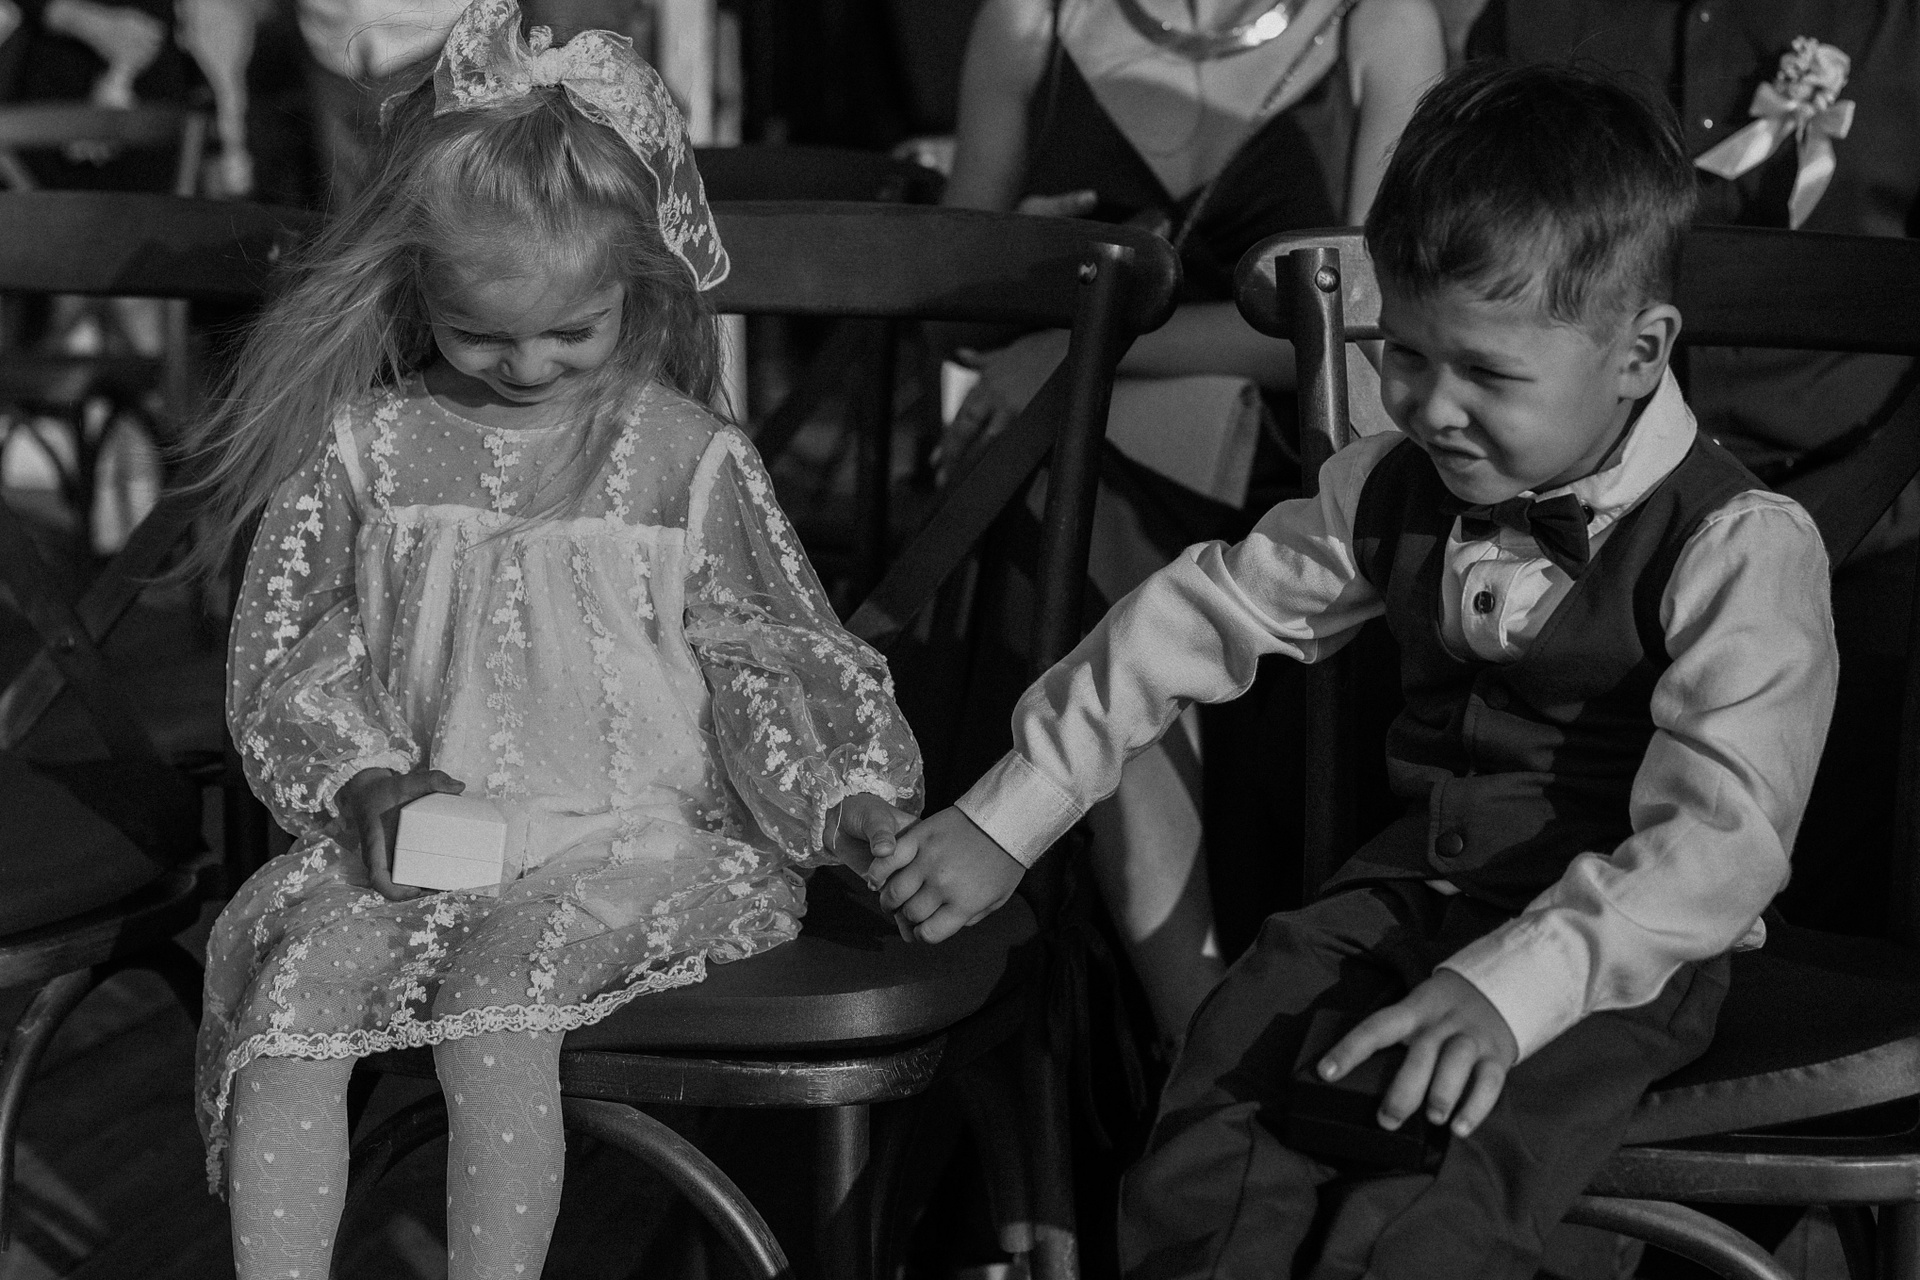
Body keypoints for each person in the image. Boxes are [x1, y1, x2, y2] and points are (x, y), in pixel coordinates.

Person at [870, 61, 1839, 1278]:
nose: (1432, 407)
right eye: (1404, 354)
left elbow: (1721, 840)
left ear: (1640, 353)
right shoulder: (1390, 484)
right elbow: (1194, 613)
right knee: (1221, 1092)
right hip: (1398, 897)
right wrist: (1008, 813)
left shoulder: (1738, 545)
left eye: (1488, 373)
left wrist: (1511, 989)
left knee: (1432, 1192)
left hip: (1615, 947)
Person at [183, 3, 921, 1276]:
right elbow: (302, 649)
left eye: (573, 331)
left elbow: (764, 645)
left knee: (493, 1016)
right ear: (417, 287)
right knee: (289, 1013)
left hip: (627, 840)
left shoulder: (681, 456)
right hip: (426, 843)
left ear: (638, 284)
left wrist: (838, 787)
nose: (527, 366)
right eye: (481, 334)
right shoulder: (371, 449)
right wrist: (363, 776)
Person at [939, 0, 1445, 1051]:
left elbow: (1368, 325)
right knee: (1058, 488)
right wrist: (1018, 261)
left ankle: (1196, 1033)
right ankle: (1193, 1023)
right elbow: (953, 314)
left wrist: (1084, 347)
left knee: (1064, 483)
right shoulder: (1029, 19)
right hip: (1080, 453)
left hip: (1292, 466)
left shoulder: (1381, 23)